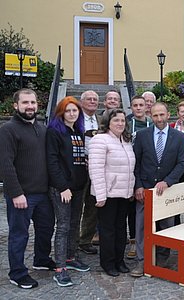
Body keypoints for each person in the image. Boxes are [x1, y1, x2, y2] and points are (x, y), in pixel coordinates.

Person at [0, 88, 55, 289]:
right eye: (25, 103)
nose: (30, 106)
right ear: (16, 106)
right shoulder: (8, 130)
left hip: (42, 193)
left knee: (46, 229)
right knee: (19, 234)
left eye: (32, 102)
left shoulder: (42, 129)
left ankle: (41, 259)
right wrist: (16, 193)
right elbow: (5, 164)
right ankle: (17, 273)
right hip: (21, 195)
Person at [131, 102, 184, 277]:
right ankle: (142, 261)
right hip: (145, 190)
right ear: (150, 116)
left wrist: (168, 181)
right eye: (155, 115)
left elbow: (182, 163)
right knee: (141, 226)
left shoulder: (178, 136)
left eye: (162, 115)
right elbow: (136, 162)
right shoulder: (142, 135)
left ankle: (162, 259)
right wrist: (138, 185)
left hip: (166, 191)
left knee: (166, 226)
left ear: (168, 115)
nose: (159, 119)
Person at [46, 96, 90, 287]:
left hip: (79, 186)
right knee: (63, 226)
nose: (72, 113)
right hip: (62, 188)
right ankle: (60, 268)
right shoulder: (55, 132)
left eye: (75, 110)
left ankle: (71, 258)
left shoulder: (78, 131)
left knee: (74, 224)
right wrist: (63, 187)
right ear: (61, 112)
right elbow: (52, 161)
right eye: (68, 110)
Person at [89, 108, 136, 277]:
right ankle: (108, 263)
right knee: (107, 230)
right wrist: (100, 195)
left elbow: (129, 169)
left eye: (123, 120)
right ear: (108, 122)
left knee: (121, 229)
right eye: (116, 120)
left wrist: (130, 190)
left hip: (123, 193)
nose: (120, 123)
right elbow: (95, 169)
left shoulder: (126, 140)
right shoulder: (100, 140)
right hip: (107, 194)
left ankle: (119, 260)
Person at [126, 95, 152, 259]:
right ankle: (134, 242)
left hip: (148, 169)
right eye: (135, 105)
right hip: (131, 170)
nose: (138, 108)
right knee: (133, 210)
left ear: (146, 107)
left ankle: (150, 240)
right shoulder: (127, 124)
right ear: (132, 107)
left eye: (141, 105)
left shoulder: (152, 123)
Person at [78, 90, 101, 255]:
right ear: (81, 102)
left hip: (97, 167)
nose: (92, 101)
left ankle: (85, 240)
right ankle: (71, 242)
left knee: (93, 206)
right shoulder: (75, 118)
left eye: (95, 99)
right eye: (89, 99)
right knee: (76, 206)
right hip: (79, 166)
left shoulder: (101, 120)